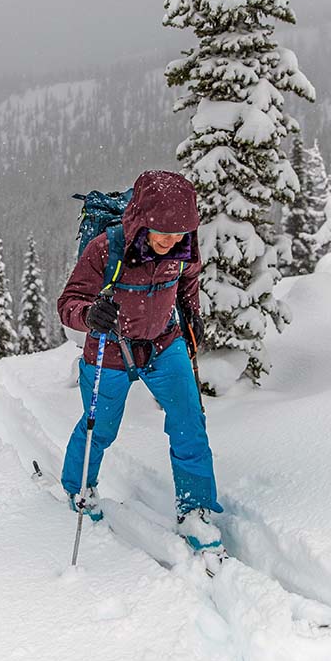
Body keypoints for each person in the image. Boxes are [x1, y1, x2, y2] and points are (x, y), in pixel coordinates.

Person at [57, 169, 223, 553]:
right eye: (162, 233)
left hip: (164, 344)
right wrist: (89, 315)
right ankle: (77, 487)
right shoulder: (105, 249)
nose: (170, 242)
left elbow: (188, 280)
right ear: (141, 221)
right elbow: (68, 304)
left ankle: (195, 508)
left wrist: (190, 310)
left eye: (178, 234)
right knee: (100, 428)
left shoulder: (184, 245)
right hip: (110, 350)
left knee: (188, 421)